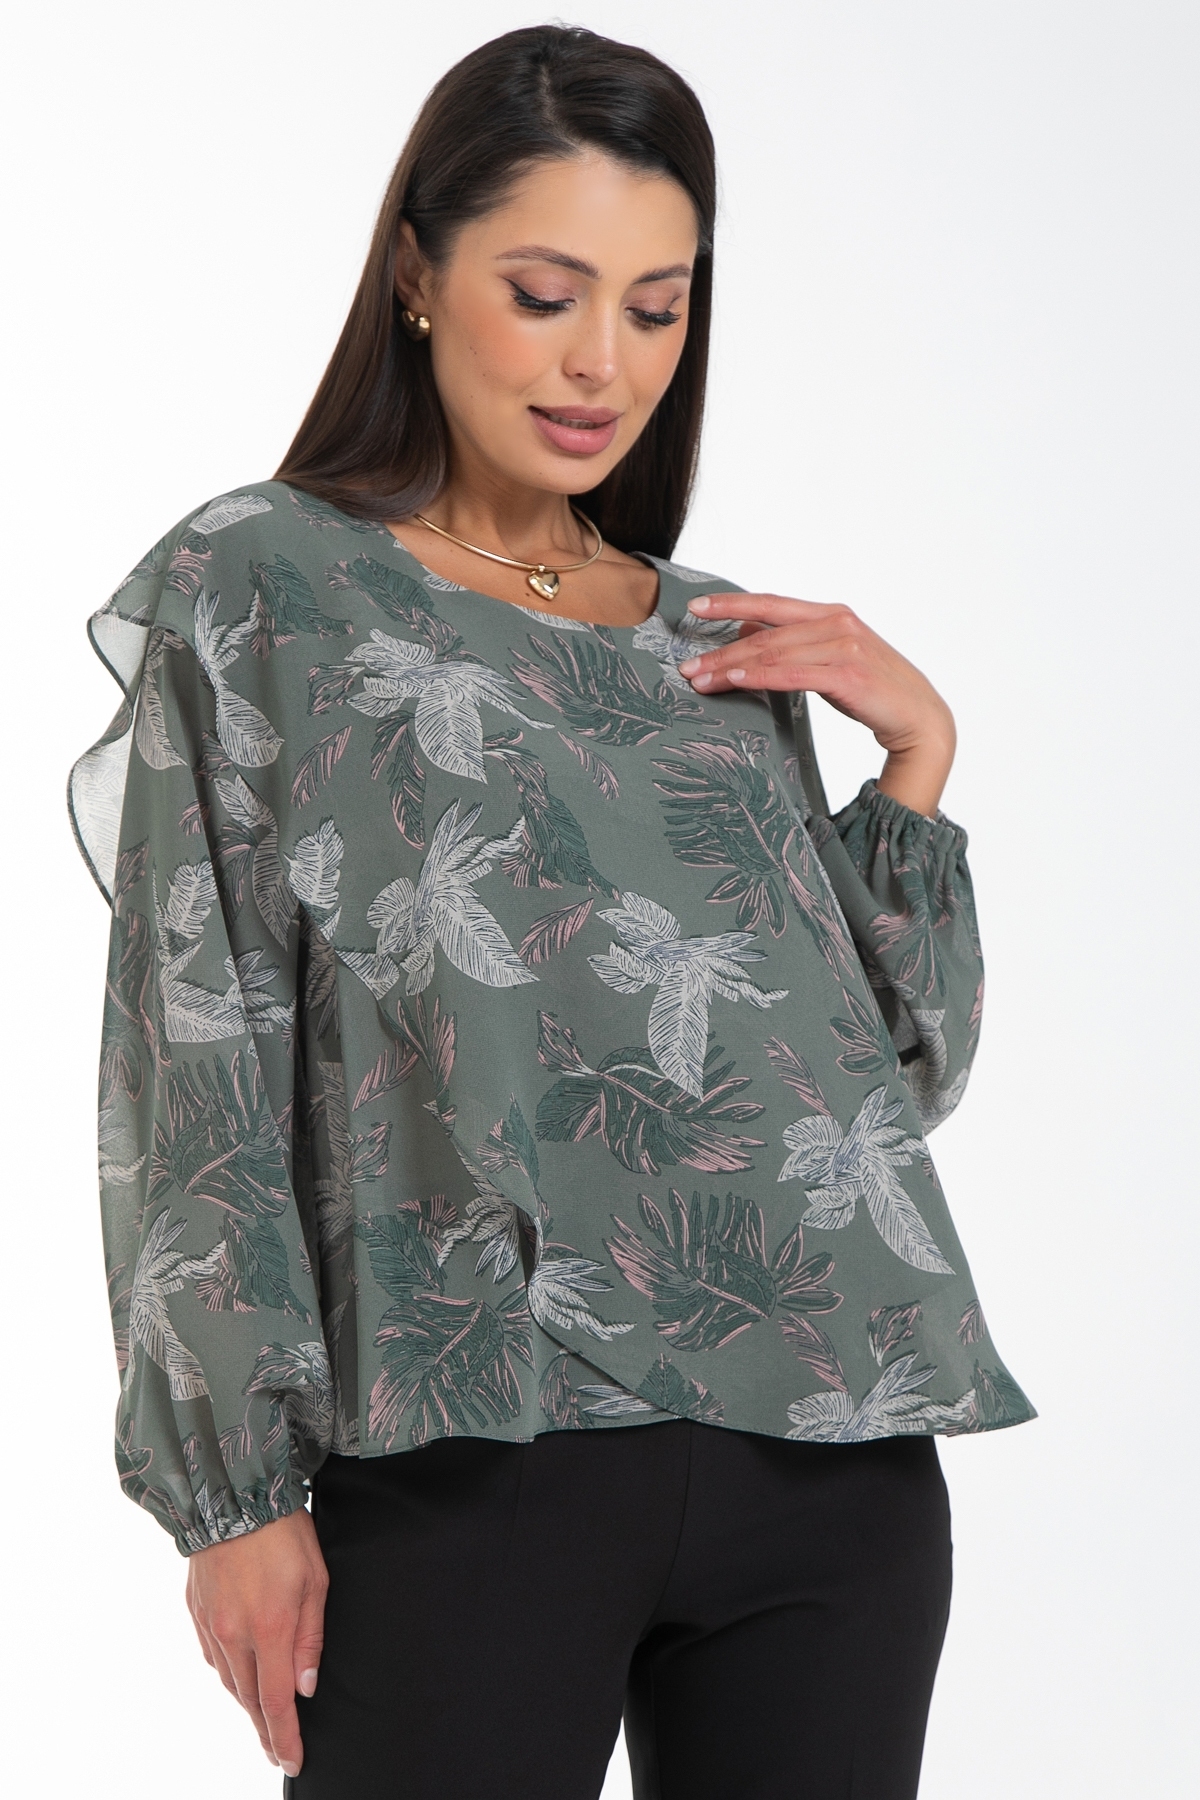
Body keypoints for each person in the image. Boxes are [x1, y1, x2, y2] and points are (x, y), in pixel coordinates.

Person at [69, 24, 1034, 1800]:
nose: (605, 361)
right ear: (417, 275)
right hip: (470, 1452)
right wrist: (234, 1497)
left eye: (657, 308)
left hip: (832, 1458)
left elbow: (881, 1094)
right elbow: (196, 1050)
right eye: (545, 291)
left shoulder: (722, 644)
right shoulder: (266, 584)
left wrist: (914, 764)